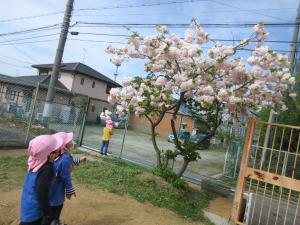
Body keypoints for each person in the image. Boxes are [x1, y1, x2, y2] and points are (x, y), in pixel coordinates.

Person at [19, 135, 64, 225]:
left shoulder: (33, 161)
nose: (59, 150)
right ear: (51, 155)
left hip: (27, 208)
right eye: (57, 149)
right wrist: (48, 215)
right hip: (36, 213)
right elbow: (41, 191)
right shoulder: (47, 169)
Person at [48, 132, 86, 225]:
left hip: (49, 188)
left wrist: (79, 160)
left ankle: (53, 221)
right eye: (69, 141)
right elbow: (66, 176)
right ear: (63, 146)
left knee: (49, 209)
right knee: (56, 209)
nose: (72, 142)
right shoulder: (64, 158)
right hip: (57, 191)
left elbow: (71, 161)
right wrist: (69, 190)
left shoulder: (56, 156)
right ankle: (55, 222)